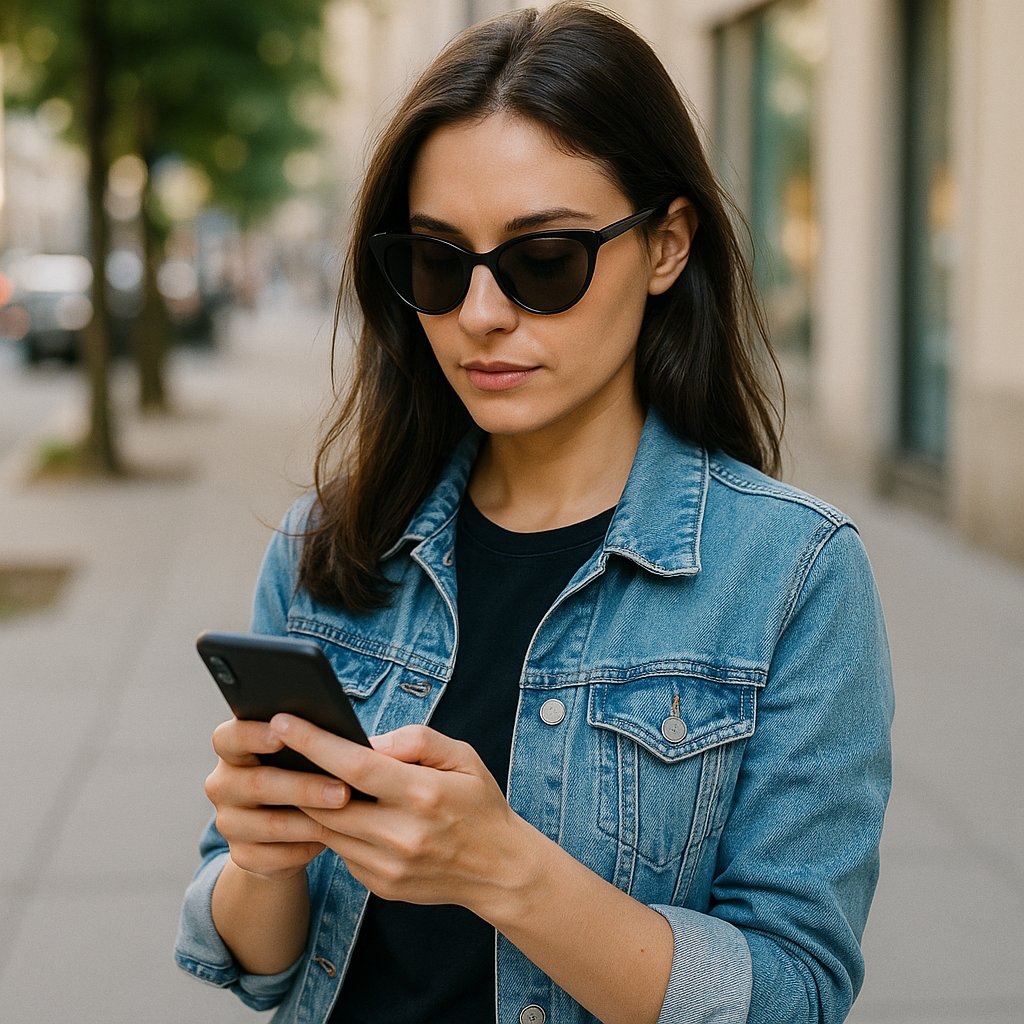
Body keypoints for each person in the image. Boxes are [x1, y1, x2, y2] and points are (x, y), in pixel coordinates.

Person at [175, 4, 894, 1023]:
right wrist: (260, 859)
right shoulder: (326, 548)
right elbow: (258, 962)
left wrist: (505, 869)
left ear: (666, 246)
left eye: (542, 259)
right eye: (436, 261)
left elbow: (795, 992)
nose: (479, 314)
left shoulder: (791, 574)